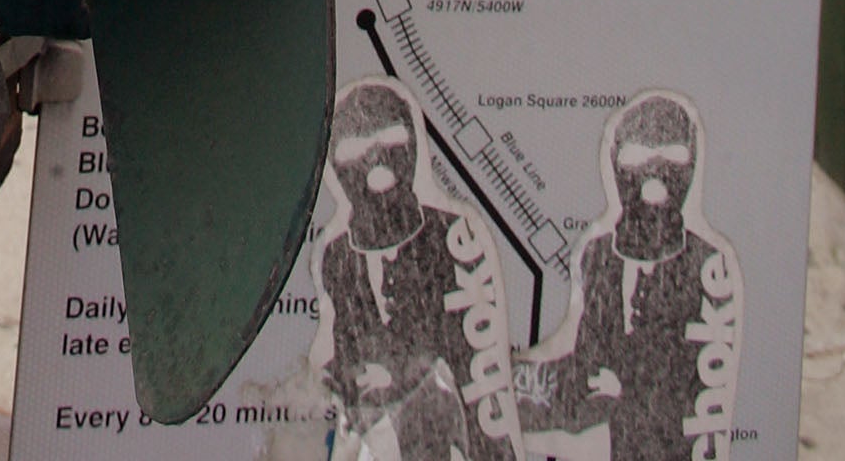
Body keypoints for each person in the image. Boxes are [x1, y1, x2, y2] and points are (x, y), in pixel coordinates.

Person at [518, 93, 741, 460]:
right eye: (638, 157)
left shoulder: (708, 265)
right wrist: (513, 384)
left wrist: (622, 388)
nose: (654, 172)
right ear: (616, 162)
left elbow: (688, 383)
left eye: (671, 157)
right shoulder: (599, 255)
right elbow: (587, 368)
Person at [315, 78, 523, 460]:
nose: (375, 160)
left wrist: (402, 376)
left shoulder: (452, 234)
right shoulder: (338, 257)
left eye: (389, 142)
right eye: (357, 149)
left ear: (411, 145)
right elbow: (343, 345)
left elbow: (476, 363)